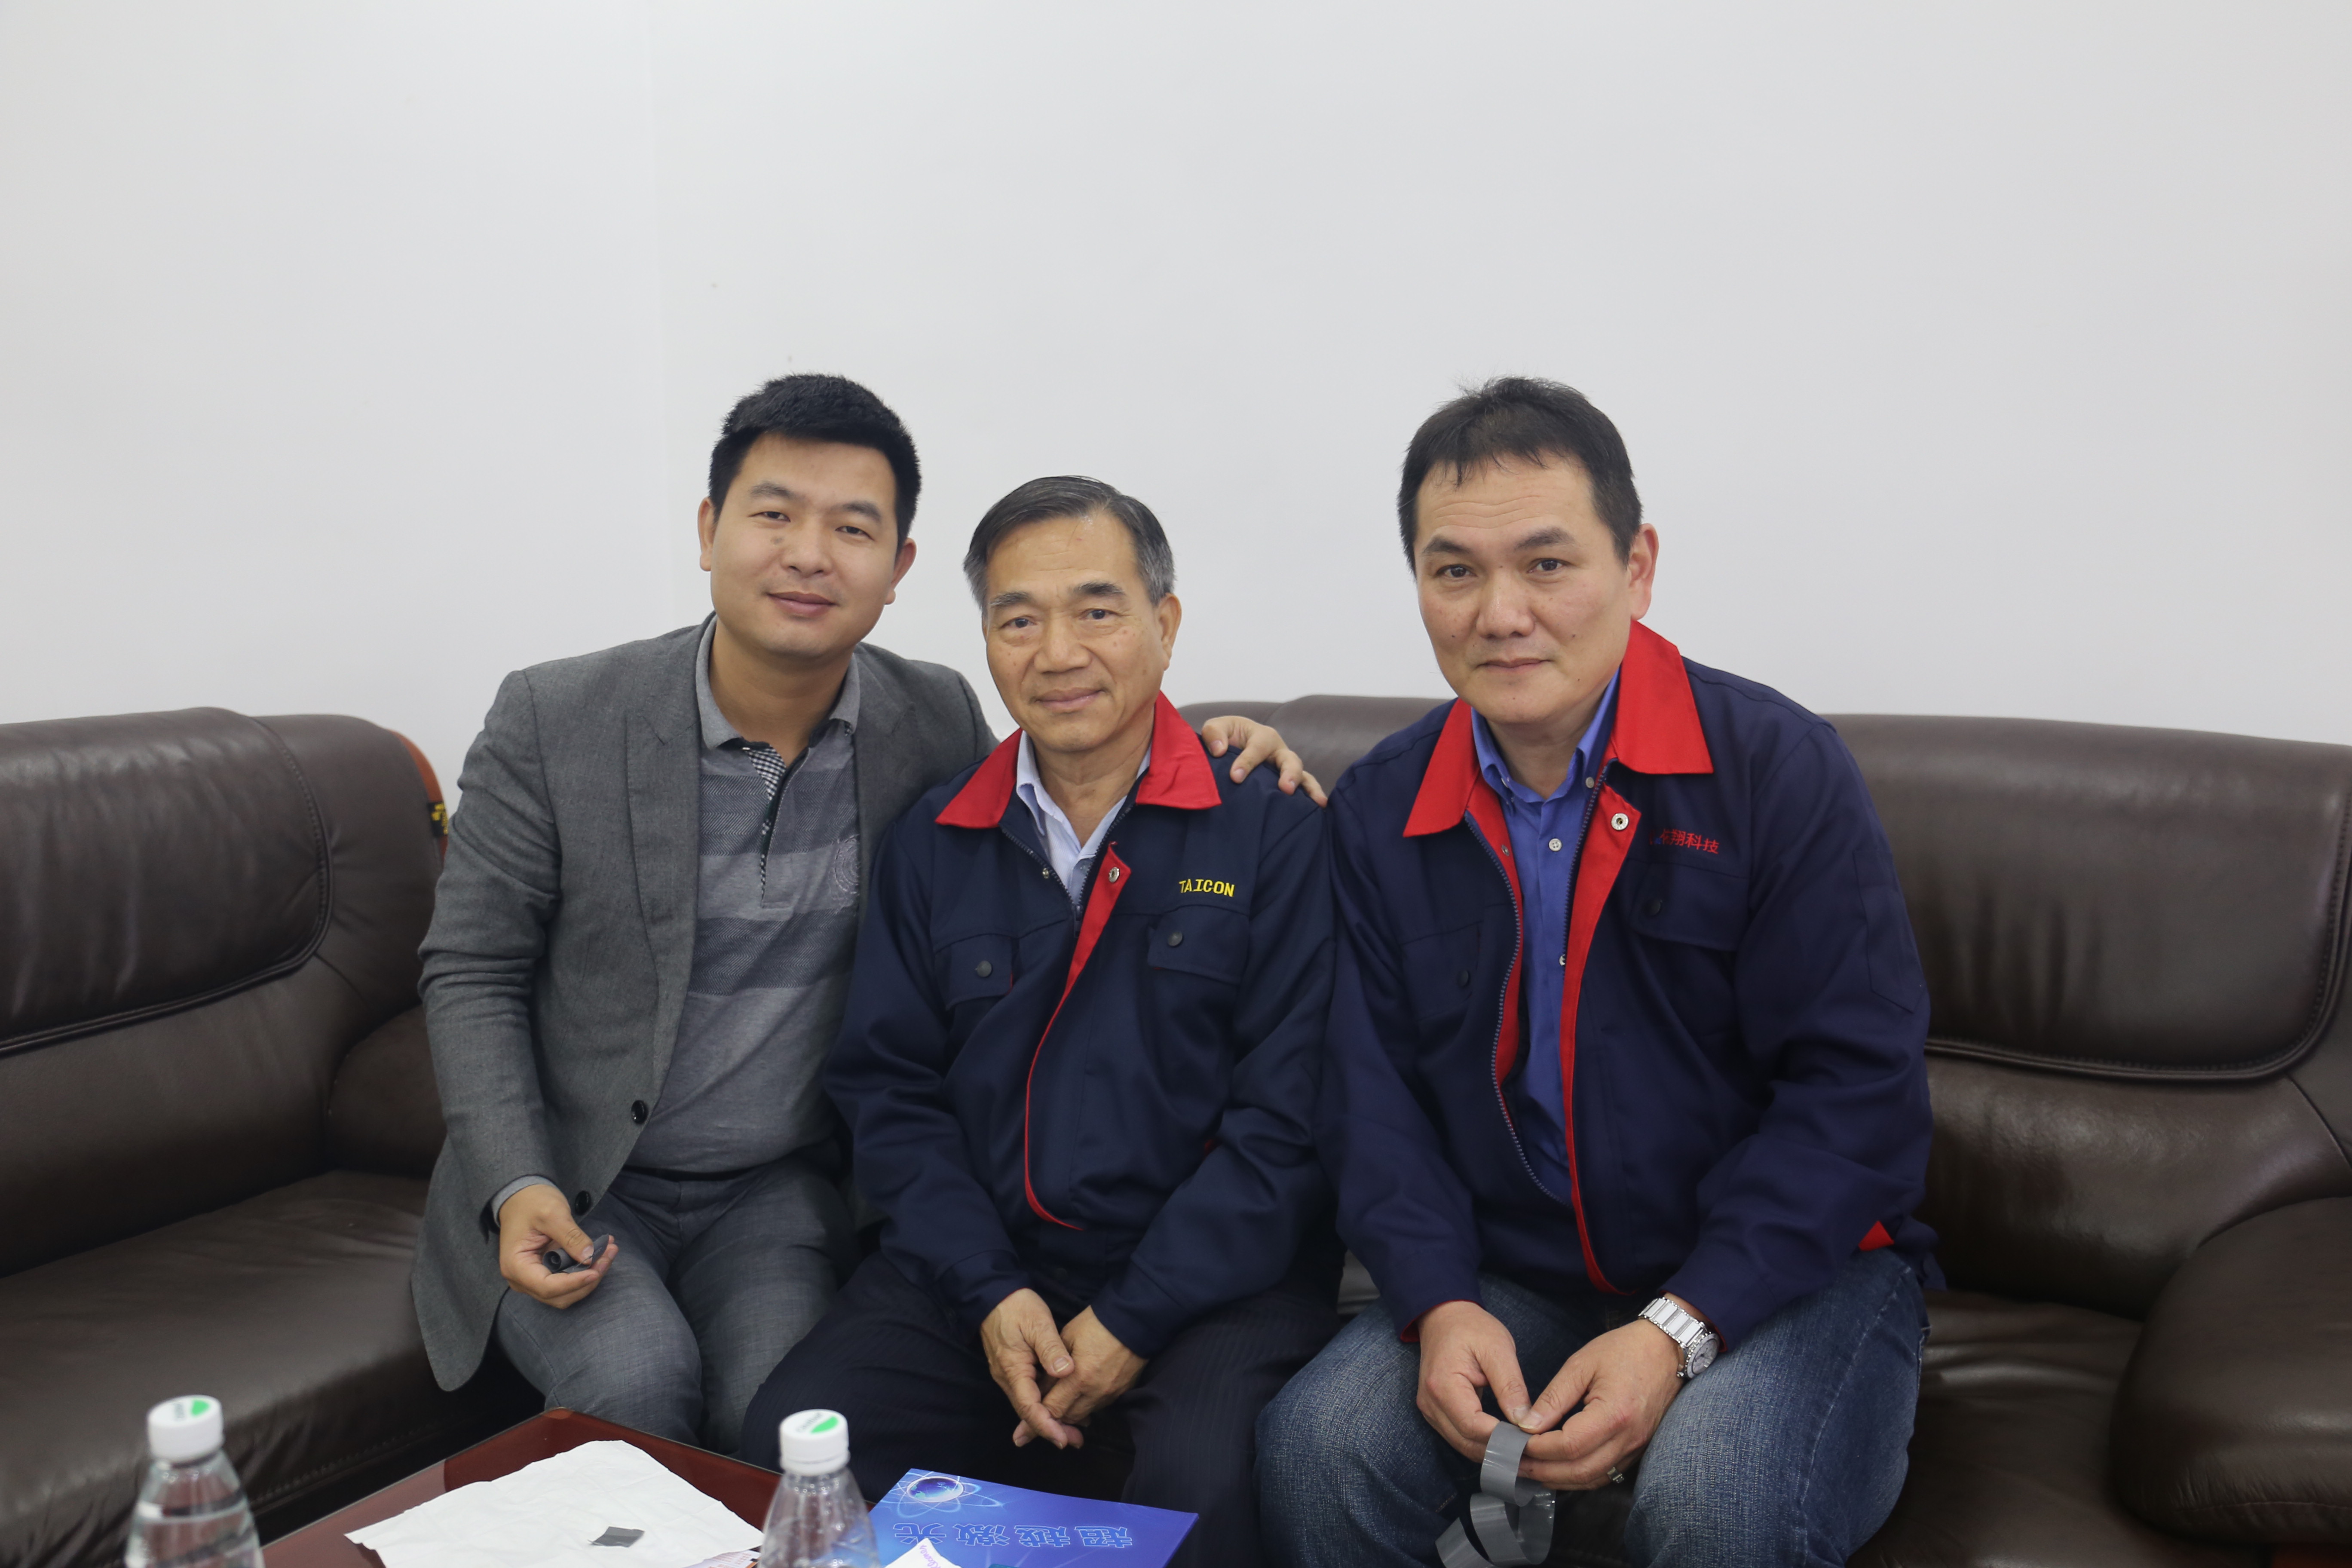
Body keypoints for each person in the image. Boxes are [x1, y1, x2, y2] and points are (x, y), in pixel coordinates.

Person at [411, 377, 1316, 1453]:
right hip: (577, 1177)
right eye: (774, 514)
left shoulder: (928, 719)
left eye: (852, 528)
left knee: (792, 1434)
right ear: (708, 531)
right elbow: (471, 968)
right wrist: (514, 1181)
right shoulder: (555, 717)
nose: (808, 555)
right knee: (639, 1382)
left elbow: (1089, 758)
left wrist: (1226, 741)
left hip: (779, 1192)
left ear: (898, 568)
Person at [1258, 377, 1937, 1567]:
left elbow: (1858, 1092)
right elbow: (1368, 1100)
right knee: (1320, 1446)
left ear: (1639, 566)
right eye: (1455, 571)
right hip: (1518, 1273)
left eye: (1547, 564)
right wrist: (1437, 1299)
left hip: (1789, 1272)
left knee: (1718, 1502)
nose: (1502, 613)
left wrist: (1677, 1328)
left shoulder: (1776, 769)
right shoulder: (1378, 809)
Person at [740, 476, 1338, 1567]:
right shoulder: (937, 839)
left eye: (1097, 611)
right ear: (986, 640)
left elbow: (1289, 1122)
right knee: (798, 1450)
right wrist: (989, 1288)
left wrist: (1135, 1317)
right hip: (985, 1264)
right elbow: (889, 1092)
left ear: (1165, 624)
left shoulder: (1272, 829)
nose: (1058, 653)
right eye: (1018, 620)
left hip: (1216, 1282)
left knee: (1192, 1494)